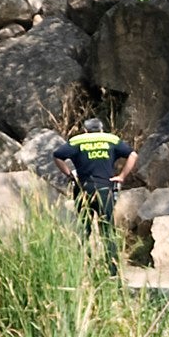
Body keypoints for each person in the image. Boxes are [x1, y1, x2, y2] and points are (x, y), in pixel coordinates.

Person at [53, 117, 138, 276]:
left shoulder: (78, 140)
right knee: (107, 231)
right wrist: (122, 176)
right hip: (105, 188)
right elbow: (133, 155)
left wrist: (69, 174)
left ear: (85, 130)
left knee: (83, 230)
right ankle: (112, 272)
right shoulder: (110, 139)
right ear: (101, 129)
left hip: (83, 189)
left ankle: (79, 270)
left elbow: (57, 155)